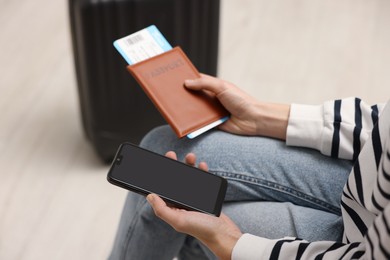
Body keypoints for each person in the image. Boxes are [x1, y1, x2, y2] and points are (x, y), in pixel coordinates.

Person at [109, 74, 390, 259]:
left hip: (362, 244)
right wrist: (261, 116)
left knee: (190, 226)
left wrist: (232, 244)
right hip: (366, 178)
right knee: (163, 146)